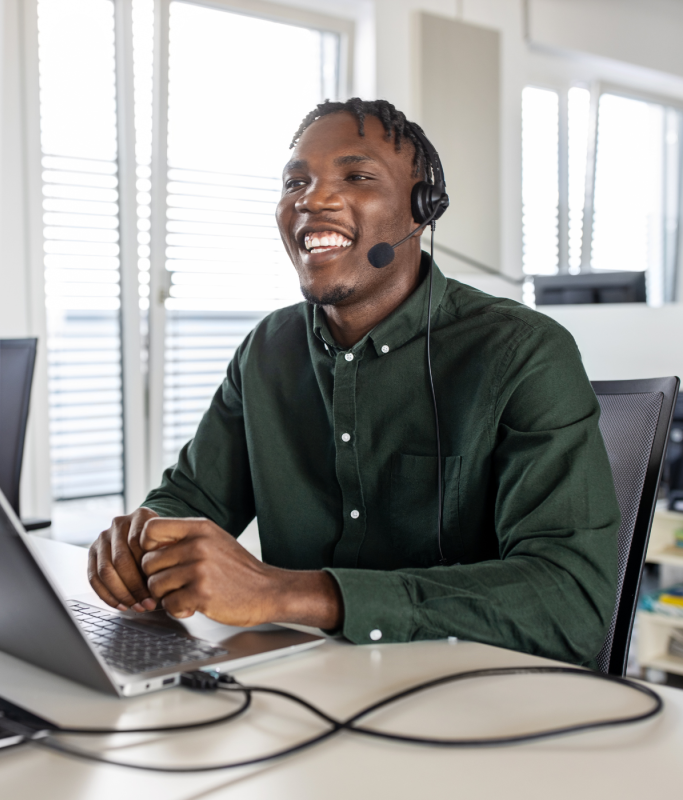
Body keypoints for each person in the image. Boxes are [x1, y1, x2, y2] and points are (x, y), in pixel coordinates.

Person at [88, 99, 620, 667]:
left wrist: (288, 593)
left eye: (357, 175)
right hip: (304, 689)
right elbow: (193, 499)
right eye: (296, 182)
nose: (312, 199)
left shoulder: (522, 352)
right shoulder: (267, 350)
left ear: (422, 208)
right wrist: (142, 542)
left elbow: (573, 602)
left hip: (471, 701)